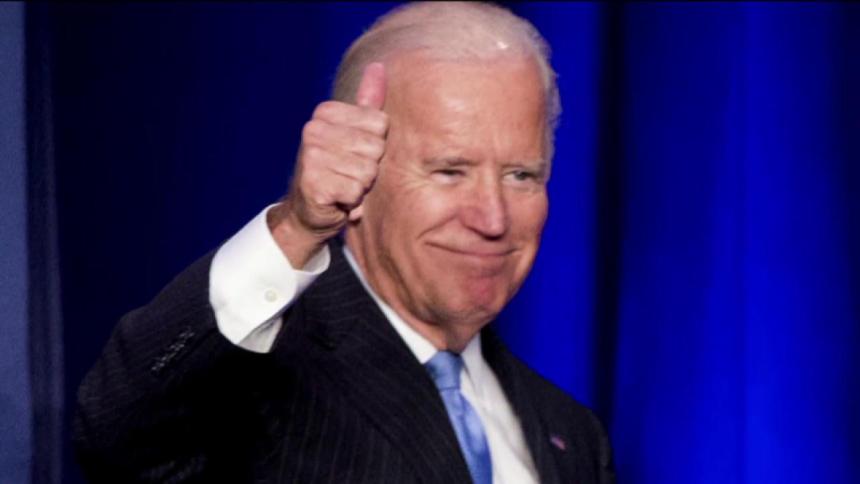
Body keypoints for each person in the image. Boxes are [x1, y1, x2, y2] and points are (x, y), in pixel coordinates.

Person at [73, 3, 615, 483]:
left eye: (521, 175)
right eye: (450, 171)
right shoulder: (259, 386)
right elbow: (118, 432)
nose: (493, 218)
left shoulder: (570, 432)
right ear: (358, 174)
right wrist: (296, 227)